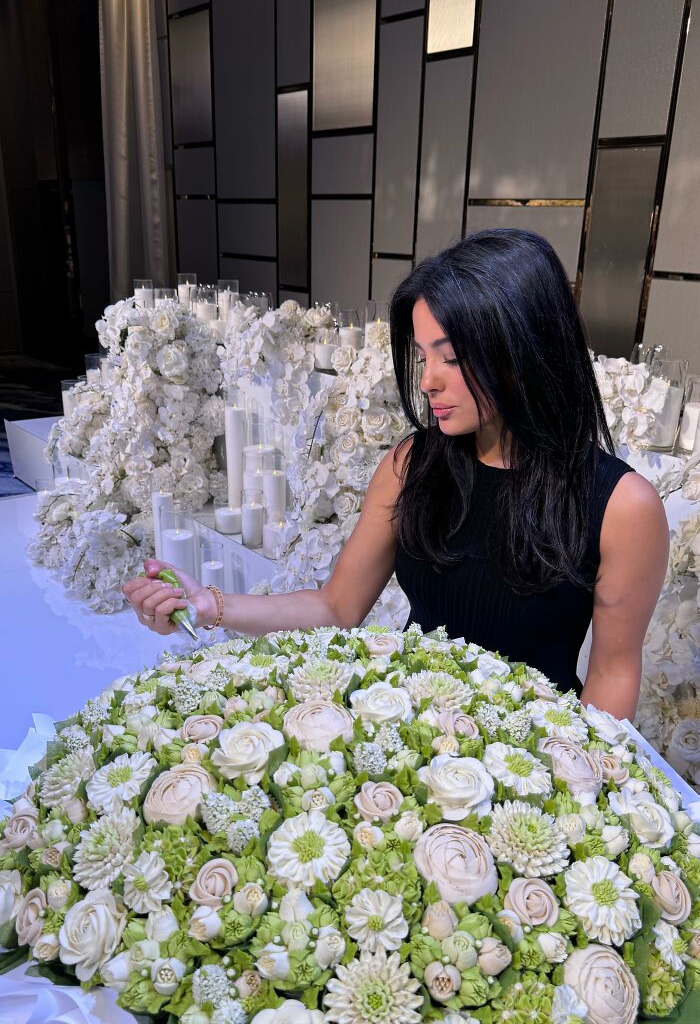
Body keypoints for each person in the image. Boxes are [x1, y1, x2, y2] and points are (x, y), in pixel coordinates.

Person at [123, 230, 669, 719]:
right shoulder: (412, 465)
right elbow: (337, 606)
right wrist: (210, 605)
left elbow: (613, 676)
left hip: (525, 761)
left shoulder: (622, 507)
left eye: (451, 358)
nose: (428, 381)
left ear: (524, 353)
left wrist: (576, 790)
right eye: (422, 357)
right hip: (406, 734)